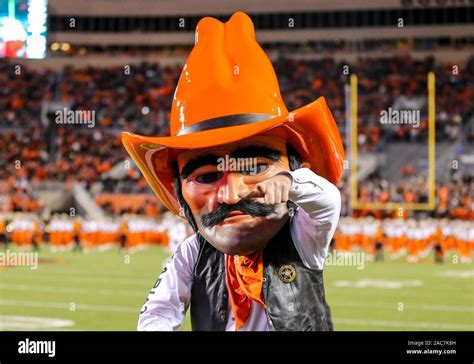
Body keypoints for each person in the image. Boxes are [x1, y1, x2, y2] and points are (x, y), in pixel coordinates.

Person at [122, 12, 344, 331]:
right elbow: (159, 309)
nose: (231, 193)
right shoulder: (193, 252)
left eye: (254, 167)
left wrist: (287, 184)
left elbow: (327, 202)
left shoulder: (300, 236)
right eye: (208, 176)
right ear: (180, 192)